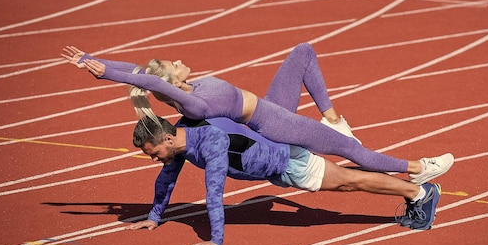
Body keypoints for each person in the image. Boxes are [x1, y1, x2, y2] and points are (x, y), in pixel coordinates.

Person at [61, 43, 453, 182]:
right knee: (349, 151)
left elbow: (138, 72)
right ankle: (420, 167)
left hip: (271, 108)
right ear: (173, 82)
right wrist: (106, 75)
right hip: (276, 124)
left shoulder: (187, 88)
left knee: (302, 51)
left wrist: (91, 61)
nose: (181, 61)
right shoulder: (189, 101)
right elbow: (150, 82)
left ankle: (333, 116)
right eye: (175, 63)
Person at [128, 115, 447, 245]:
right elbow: (167, 177)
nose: (153, 158)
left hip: (286, 161)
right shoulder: (183, 131)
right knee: (349, 177)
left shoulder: (208, 142)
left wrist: (216, 240)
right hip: (278, 157)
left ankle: (420, 192)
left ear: (167, 138)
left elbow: (214, 194)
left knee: (350, 181)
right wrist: (155, 217)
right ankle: (414, 189)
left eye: (152, 152)